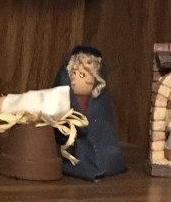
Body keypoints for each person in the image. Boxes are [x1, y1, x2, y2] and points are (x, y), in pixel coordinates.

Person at [52, 46, 126, 180]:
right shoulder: (66, 100)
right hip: (72, 148)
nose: (75, 80)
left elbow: (104, 128)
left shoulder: (100, 103)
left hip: (101, 147)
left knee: (108, 156)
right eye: (72, 74)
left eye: (82, 75)